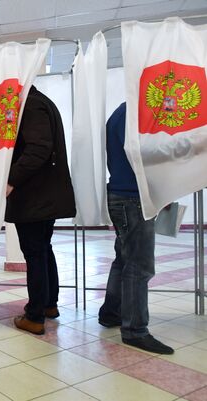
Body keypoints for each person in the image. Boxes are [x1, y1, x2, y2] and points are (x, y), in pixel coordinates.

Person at [98, 102, 174, 354]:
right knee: (139, 266)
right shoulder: (135, 114)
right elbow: (145, 157)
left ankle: (111, 313)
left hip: (121, 195)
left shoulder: (120, 111)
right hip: (133, 198)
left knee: (124, 259)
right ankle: (135, 330)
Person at [6, 85, 76, 335]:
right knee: (43, 249)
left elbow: (38, 149)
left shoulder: (31, 104)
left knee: (35, 253)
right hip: (45, 195)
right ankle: (48, 305)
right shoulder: (43, 100)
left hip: (35, 196)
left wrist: (10, 179)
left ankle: (34, 315)